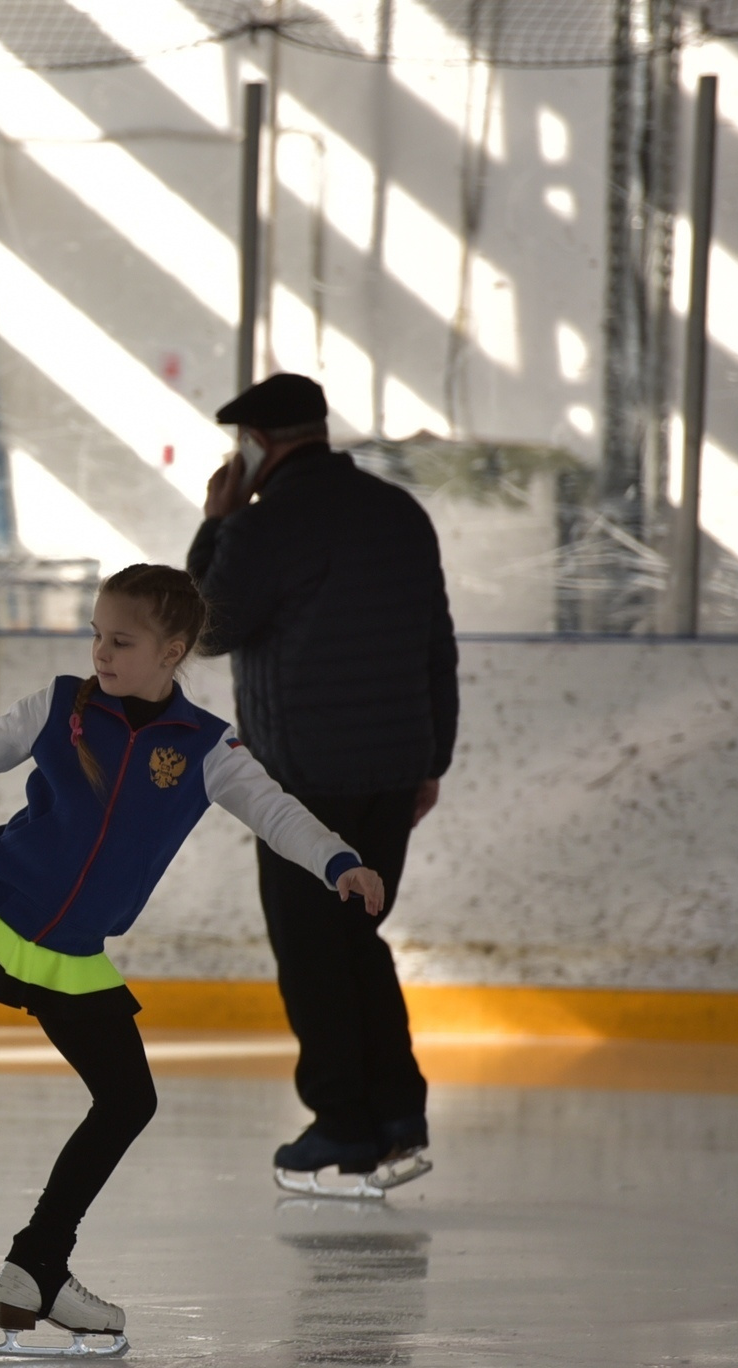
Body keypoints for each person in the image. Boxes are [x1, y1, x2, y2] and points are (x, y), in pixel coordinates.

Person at [0, 565, 385, 1356]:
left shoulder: (206, 747)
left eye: (121, 640)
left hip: (72, 952)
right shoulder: (60, 708)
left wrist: (338, 859)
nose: (101, 651)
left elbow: (275, 811)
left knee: (128, 1100)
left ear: (172, 651)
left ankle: (38, 1266)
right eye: (95, 633)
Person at [187, 373, 457, 1198]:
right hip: (392, 767)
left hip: (304, 775)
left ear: (257, 445)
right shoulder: (397, 511)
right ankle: (396, 1117)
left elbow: (207, 625)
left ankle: (341, 1123)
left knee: (313, 950)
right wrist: (431, 757)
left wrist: (216, 523)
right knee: (357, 938)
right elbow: (436, 640)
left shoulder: (268, 526)